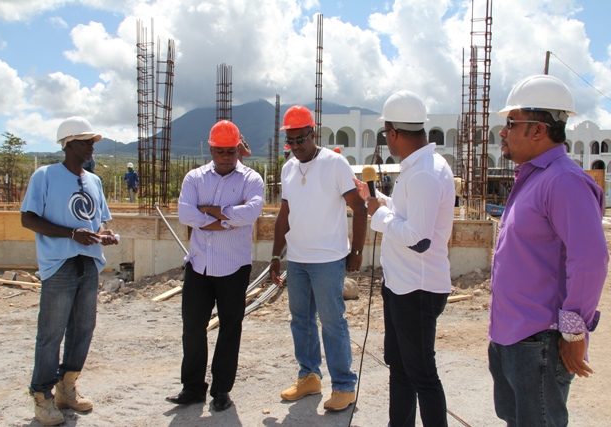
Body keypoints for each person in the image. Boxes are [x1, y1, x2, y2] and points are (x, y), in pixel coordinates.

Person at [488, 74, 608, 426]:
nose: (502, 132)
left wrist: (573, 331)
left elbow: (590, 259)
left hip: (538, 341)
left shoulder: (563, 180)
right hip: (510, 335)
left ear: (538, 130)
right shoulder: (535, 177)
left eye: (511, 123)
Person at [354, 90, 455, 427]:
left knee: (422, 375)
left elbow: (419, 239)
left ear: (393, 133)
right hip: (401, 286)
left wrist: (376, 216)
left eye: (386, 135)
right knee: (399, 368)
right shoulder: (419, 168)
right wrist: (375, 198)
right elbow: (406, 215)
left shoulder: (425, 172)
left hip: (418, 290)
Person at [21, 116, 118, 426]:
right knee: (50, 333)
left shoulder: (94, 181)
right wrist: (70, 233)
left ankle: (67, 388)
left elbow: (100, 220)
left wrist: (104, 235)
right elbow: (29, 219)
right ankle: (42, 397)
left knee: (82, 329)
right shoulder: (45, 176)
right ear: (68, 144)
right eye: (85, 141)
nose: (91, 146)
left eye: (92, 142)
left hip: (88, 263)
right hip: (60, 264)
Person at [270, 105, 367, 412]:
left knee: (332, 321)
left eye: (301, 139)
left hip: (328, 259)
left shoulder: (335, 163)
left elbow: (360, 208)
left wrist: (357, 251)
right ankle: (309, 376)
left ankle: (344, 386)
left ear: (313, 133)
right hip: (297, 259)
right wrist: (275, 255)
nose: (296, 146)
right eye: (292, 142)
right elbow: (285, 214)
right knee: (301, 321)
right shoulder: (288, 168)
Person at [167, 120, 264, 412]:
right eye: (220, 150)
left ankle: (221, 390)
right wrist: (225, 221)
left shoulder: (251, 179)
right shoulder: (195, 178)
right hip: (198, 266)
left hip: (234, 267)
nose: (225, 155)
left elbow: (251, 212)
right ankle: (193, 388)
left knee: (230, 329)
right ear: (211, 148)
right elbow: (186, 214)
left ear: (238, 149)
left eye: (231, 150)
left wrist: (209, 211)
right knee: (192, 329)